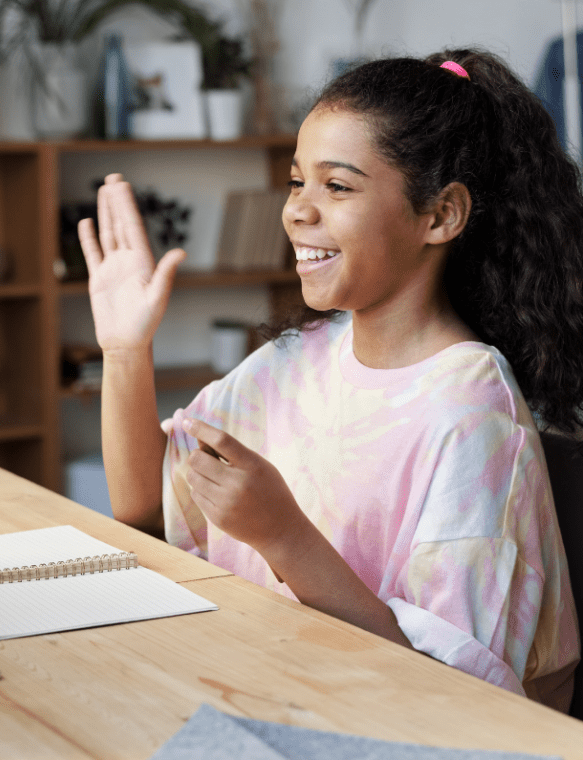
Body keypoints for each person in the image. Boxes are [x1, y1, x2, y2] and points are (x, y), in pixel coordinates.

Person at [77, 49, 582, 711]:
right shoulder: (292, 362)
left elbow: (450, 701)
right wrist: (124, 350)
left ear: (440, 216)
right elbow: (144, 508)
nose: (297, 213)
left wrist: (283, 536)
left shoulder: (474, 422)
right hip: (265, 695)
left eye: (336, 187)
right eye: (296, 182)